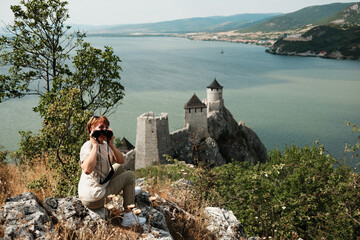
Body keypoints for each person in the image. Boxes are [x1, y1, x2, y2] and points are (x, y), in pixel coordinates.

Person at [78, 115, 145, 227]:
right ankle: (128, 217)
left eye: (106, 127)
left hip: (99, 187)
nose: (104, 130)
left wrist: (112, 145)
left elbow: (120, 160)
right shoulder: (87, 146)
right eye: (101, 127)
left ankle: (129, 191)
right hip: (93, 197)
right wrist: (94, 146)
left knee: (119, 167)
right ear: (91, 129)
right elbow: (87, 169)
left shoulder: (105, 145)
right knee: (130, 176)